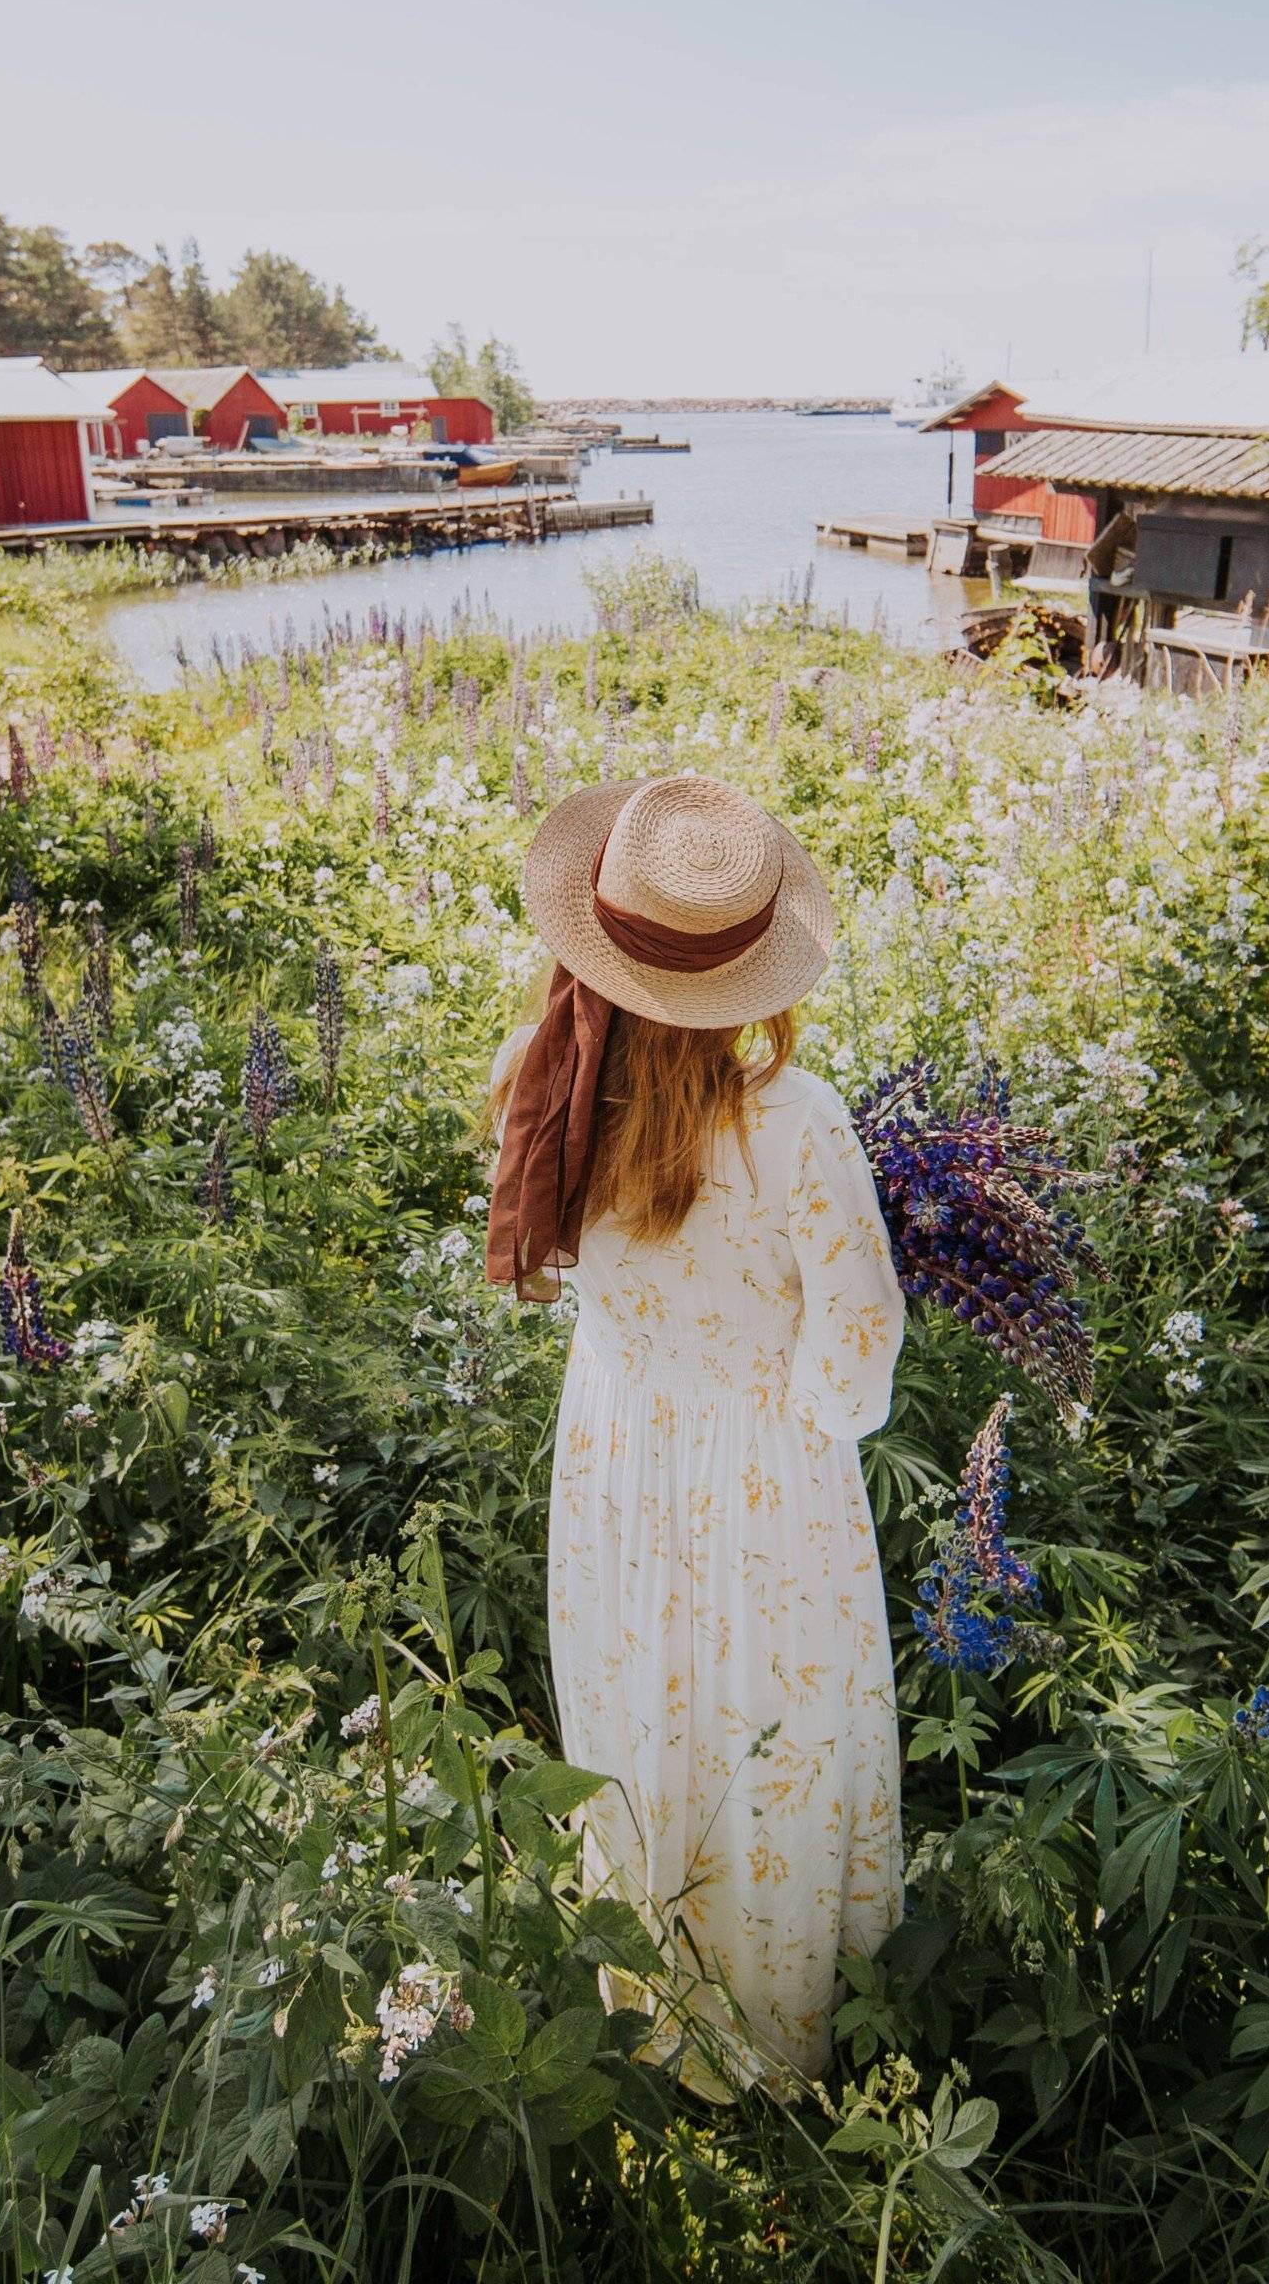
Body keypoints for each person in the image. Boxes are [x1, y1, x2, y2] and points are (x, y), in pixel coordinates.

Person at [488, 770, 907, 2089]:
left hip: (618, 1465)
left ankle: (657, 2017)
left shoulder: (545, 1078)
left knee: (644, 1722)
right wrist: (809, 1419)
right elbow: (858, 1347)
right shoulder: (796, 1124)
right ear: (755, 973)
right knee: (773, 1738)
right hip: (771, 1484)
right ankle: (776, 2045)